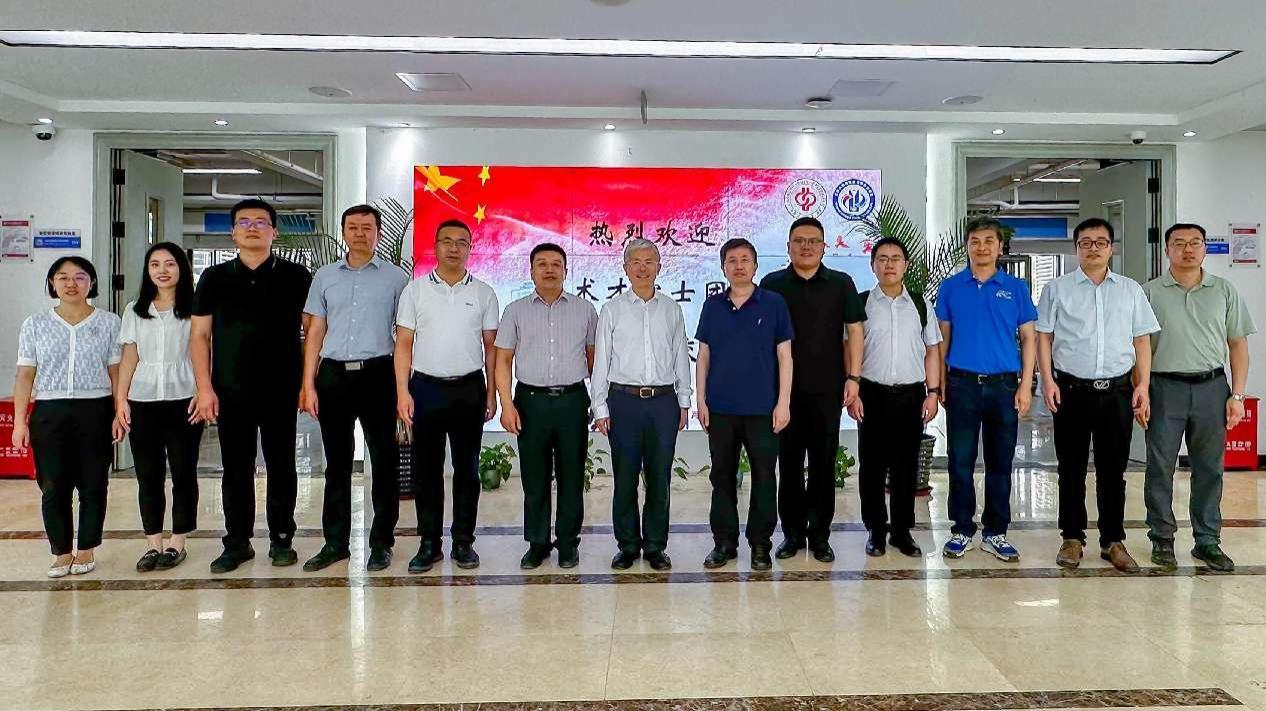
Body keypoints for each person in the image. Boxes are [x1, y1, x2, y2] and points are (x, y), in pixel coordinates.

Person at [191, 198, 313, 573]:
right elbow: (199, 336)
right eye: (244, 222)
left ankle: (282, 539)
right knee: (236, 468)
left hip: (282, 388)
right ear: (233, 233)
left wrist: (307, 383)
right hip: (231, 389)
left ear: (274, 232)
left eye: (261, 222)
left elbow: (313, 332)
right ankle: (237, 542)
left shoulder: (296, 277)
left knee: (282, 465)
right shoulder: (214, 278)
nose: (252, 227)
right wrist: (204, 388)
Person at [1037, 218, 1159, 573]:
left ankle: (1113, 541)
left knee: (1113, 469)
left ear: (1111, 248)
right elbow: (1044, 337)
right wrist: (1047, 380)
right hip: (1071, 391)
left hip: (1117, 391)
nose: (1093, 248)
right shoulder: (1057, 289)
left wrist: (1142, 385)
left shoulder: (1130, 290)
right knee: (1070, 468)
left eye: (1100, 242)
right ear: (1076, 248)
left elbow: (1142, 341)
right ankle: (1072, 538)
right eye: (1086, 242)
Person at [301, 205, 410, 572]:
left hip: (378, 374)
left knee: (384, 461)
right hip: (333, 375)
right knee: (337, 464)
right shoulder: (325, 276)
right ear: (344, 232)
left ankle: (381, 543)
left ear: (378, 233)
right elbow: (315, 330)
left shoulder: (396, 279)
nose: (360, 234)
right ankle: (335, 543)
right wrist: (308, 383)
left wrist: (403, 387)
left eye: (367, 227)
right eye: (353, 227)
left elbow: (405, 336)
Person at [1142, 222, 1255, 572]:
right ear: (1167, 250)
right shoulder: (1149, 292)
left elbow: (1238, 345)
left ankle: (1207, 540)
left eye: (1195, 243)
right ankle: (1162, 539)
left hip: (1211, 388)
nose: (1188, 249)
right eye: (1179, 243)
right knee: (1160, 468)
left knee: (1209, 469)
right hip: (1164, 388)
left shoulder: (1223, 290)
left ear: (1205, 248)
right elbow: (1140, 348)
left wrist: (1238, 395)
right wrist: (1141, 390)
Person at [760, 217, 865, 563]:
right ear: (788, 246)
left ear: (824, 246)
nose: (806, 247)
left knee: (823, 466)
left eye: (813, 241)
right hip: (784, 394)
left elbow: (855, 332)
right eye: (799, 241)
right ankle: (792, 535)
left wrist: (854, 378)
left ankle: (820, 537)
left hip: (827, 391)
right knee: (789, 466)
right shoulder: (772, 284)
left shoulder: (841, 283)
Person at [395, 219, 499, 573]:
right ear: (436, 246)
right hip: (426, 389)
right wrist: (402, 391)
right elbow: (403, 344)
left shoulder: (483, 293)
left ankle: (464, 542)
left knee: (467, 470)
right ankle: (429, 543)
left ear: (470, 248)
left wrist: (492, 393)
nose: (454, 248)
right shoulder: (415, 291)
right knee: (427, 470)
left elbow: (491, 348)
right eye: (447, 241)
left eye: (461, 242)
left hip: (469, 389)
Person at [12, 256, 121, 577]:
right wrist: (19, 421)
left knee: (93, 483)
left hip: (96, 409)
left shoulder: (109, 323)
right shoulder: (35, 324)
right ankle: (61, 551)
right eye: (63, 277)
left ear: (92, 282)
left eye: (80, 277)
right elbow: (24, 375)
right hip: (49, 412)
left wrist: (119, 411)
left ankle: (86, 548)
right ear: (52, 283)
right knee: (53, 486)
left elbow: (116, 372)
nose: (71, 283)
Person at [937, 216, 1037, 562]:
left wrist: (1026, 385)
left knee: (1000, 462)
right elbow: (942, 339)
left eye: (989, 241)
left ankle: (996, 532)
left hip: (1003, 386)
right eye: (975, 241)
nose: (982, 248)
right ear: (967, 246)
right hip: (962, 384)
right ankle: (962, 529)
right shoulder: (951, 288)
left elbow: (1029, 338)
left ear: (1000, 247)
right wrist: (939, 383)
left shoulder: (1016, 288)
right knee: (960, 461)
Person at [591, 238, 692, 571]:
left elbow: (680, 356)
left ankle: (655, 547)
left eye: (649, 261)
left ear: (659, 268)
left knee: (659, 478)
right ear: (626, 268)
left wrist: (684, 401)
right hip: (624, 402)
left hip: (663, 402)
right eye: (636, 262)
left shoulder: (671, 309)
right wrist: (600, 407)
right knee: (625, 478)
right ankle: (628, 546)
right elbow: (602, 361)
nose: (643, 267)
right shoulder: (612, 310)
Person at [496, 243, 597, 570]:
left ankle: (568, 543)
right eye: (542, 264)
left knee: (572, 476)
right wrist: (506, 404)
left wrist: (599, 402)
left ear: (566, 270)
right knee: (534, 478)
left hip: (572, 401)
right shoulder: (515, 310)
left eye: (556, 264)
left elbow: (594, 360)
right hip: (531, 402)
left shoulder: (585, 310)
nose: (549, 269)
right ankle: (537, 543)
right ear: (531, 271)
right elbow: (503, 360)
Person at [696, 238, 793, 571]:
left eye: (745, 259)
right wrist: (701, 400)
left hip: (763, 409)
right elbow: (704, 356)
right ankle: (723, 543)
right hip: (721, 408)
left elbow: (785, 356)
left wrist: (783, 402)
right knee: (722, 477)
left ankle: (761, 544)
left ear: (755, 265)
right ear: (723, 267)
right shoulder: (713, 306)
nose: (739, 266)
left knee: (764, 477)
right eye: (732, 260)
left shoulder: (773, 303)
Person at [112, 242, 204, 573]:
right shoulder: (135, 309)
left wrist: (202, 391)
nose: (162, 270)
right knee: (148, 475)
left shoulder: (195, 307)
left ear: (182, 269)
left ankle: (177, 541)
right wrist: (121, 399)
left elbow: (203, 351)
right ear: (147, 270)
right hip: (143, 400)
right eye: (155, 264)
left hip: (185, 398)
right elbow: (130, 356)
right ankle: (153, 543)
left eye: (169, 264)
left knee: (183, 472)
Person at [850, 237, 942, 558]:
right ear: (872, 265)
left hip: (911, 395)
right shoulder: (861, 304)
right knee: (871, 468)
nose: (889, 264)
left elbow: (932, 351)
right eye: (882, 258)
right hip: (870, 393)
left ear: (906, 265)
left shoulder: (920, 304)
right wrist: (853, 391)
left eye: (895, 258)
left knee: (906, 466)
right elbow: (849, 350)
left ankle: (902, 532)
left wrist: (933, 393)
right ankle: (876, 530)